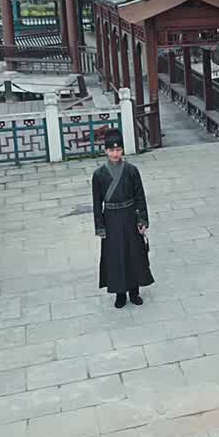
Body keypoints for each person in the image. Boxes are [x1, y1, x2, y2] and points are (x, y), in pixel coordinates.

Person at [92, 130, 153, 308]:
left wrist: (142, 220)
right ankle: (120, 293)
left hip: (129, 215)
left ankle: (134, 292)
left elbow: (140, 197)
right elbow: (97, 203)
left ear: (122, 150)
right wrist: (100, 226)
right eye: (111, 150)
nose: (115, 153)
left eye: (118, 150)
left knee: (134, 254)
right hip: (111, 218)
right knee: (115, 256)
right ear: (105, 151)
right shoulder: (99, 174)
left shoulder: (131, 170)